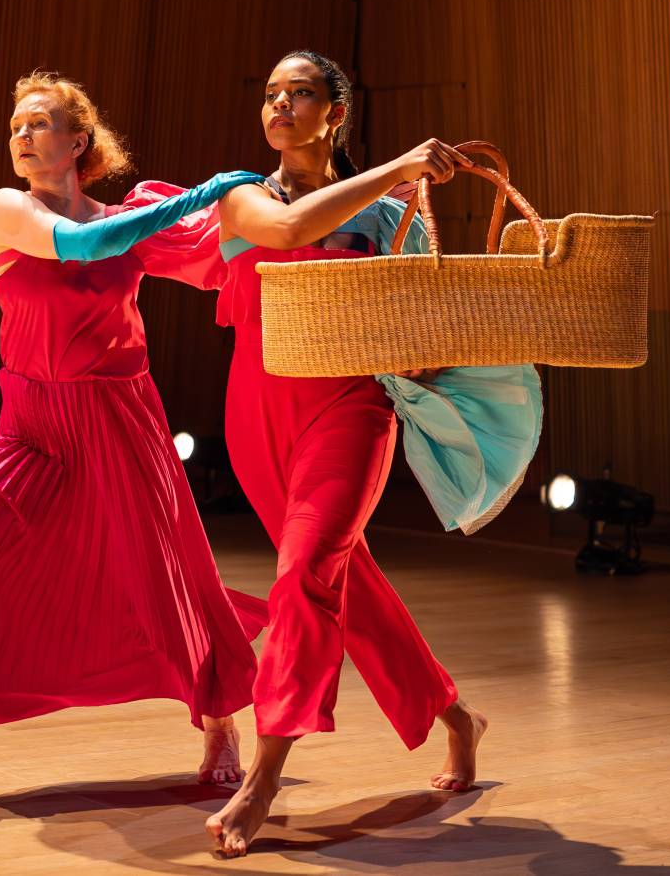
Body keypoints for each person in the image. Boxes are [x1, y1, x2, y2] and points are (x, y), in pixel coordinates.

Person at [204, 51, 540, 857]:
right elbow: (290, 230)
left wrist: (424, 344)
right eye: (271, 92)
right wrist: (402, 163)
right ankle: (456, 716)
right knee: (343, 582)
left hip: (352, 410)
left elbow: (425, 337)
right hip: (255, 414)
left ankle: (263, 778)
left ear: (336, 113)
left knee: (305, 575)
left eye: (302, 93)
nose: (281, 103)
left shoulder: (396, 215)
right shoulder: (241, 196)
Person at [0, 72, 267, 798]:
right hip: (32, 421)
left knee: (169, 584)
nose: (22, 136)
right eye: (16, 128)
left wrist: (266, 208)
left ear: (78, 142)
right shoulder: (11, 208)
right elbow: (80, 245)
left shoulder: (128, 217)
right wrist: (201, 193)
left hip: (119, 417)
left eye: (39, 123)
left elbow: (214, 257)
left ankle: (221, 723)